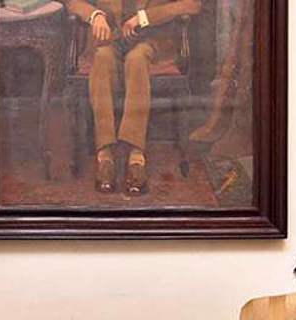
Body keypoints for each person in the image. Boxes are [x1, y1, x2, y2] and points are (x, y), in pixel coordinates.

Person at [65, 0, 202, 195]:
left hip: (153, 43)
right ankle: (105, 154)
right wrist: (95, 15)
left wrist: (145, 18)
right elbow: (72, 2)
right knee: (102, 58)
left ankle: (136, 155)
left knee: (136, 59)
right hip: (109, 39)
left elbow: (192, 5)